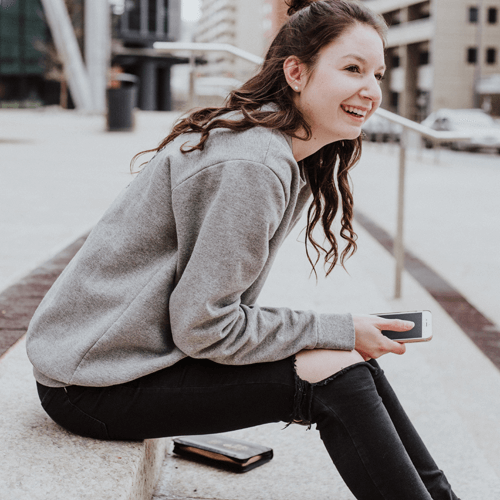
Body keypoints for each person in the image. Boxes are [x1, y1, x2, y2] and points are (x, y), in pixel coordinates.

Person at [26, 1, 460, 498]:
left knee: (347, 357)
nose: (371, 90)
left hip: (119, 358)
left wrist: (341, 333)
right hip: (93, 385)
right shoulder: (253, 164)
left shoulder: (268, 146)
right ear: (296, 72)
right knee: (335, 371)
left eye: (377, 73)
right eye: (352, 69)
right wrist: (338, 328)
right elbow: (205, 326)